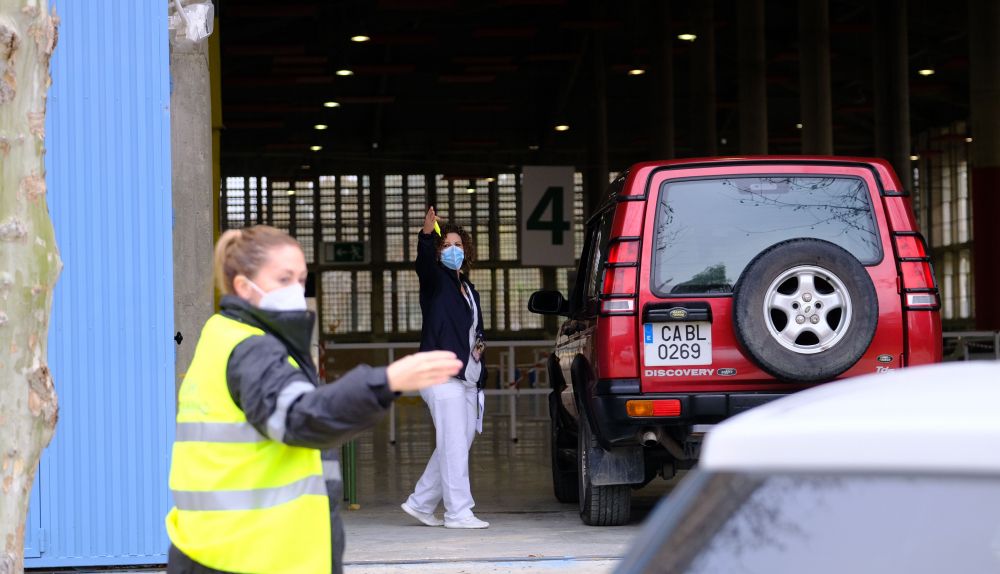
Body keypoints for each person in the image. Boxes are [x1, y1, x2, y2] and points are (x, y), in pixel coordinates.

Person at [166, 225, 461, 574]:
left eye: (301, 278)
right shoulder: (252, 349)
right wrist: (385, 381)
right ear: (244, 287)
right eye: (283, 278)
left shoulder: (225, 333)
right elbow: (300, 417)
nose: (295, 289)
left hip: (224, 550)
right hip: (247, 557)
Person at [401, 206, 490, 529]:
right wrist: (426, 236)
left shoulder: (468, 289)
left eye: (458, 245)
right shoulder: (435, 281)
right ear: (438, 253)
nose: (454, 250)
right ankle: (458, 512)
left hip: (467, 378)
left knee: (456, 442)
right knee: (453, 443)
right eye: (446, 246)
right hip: (440, 373)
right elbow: (423, 262)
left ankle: (421, 503)